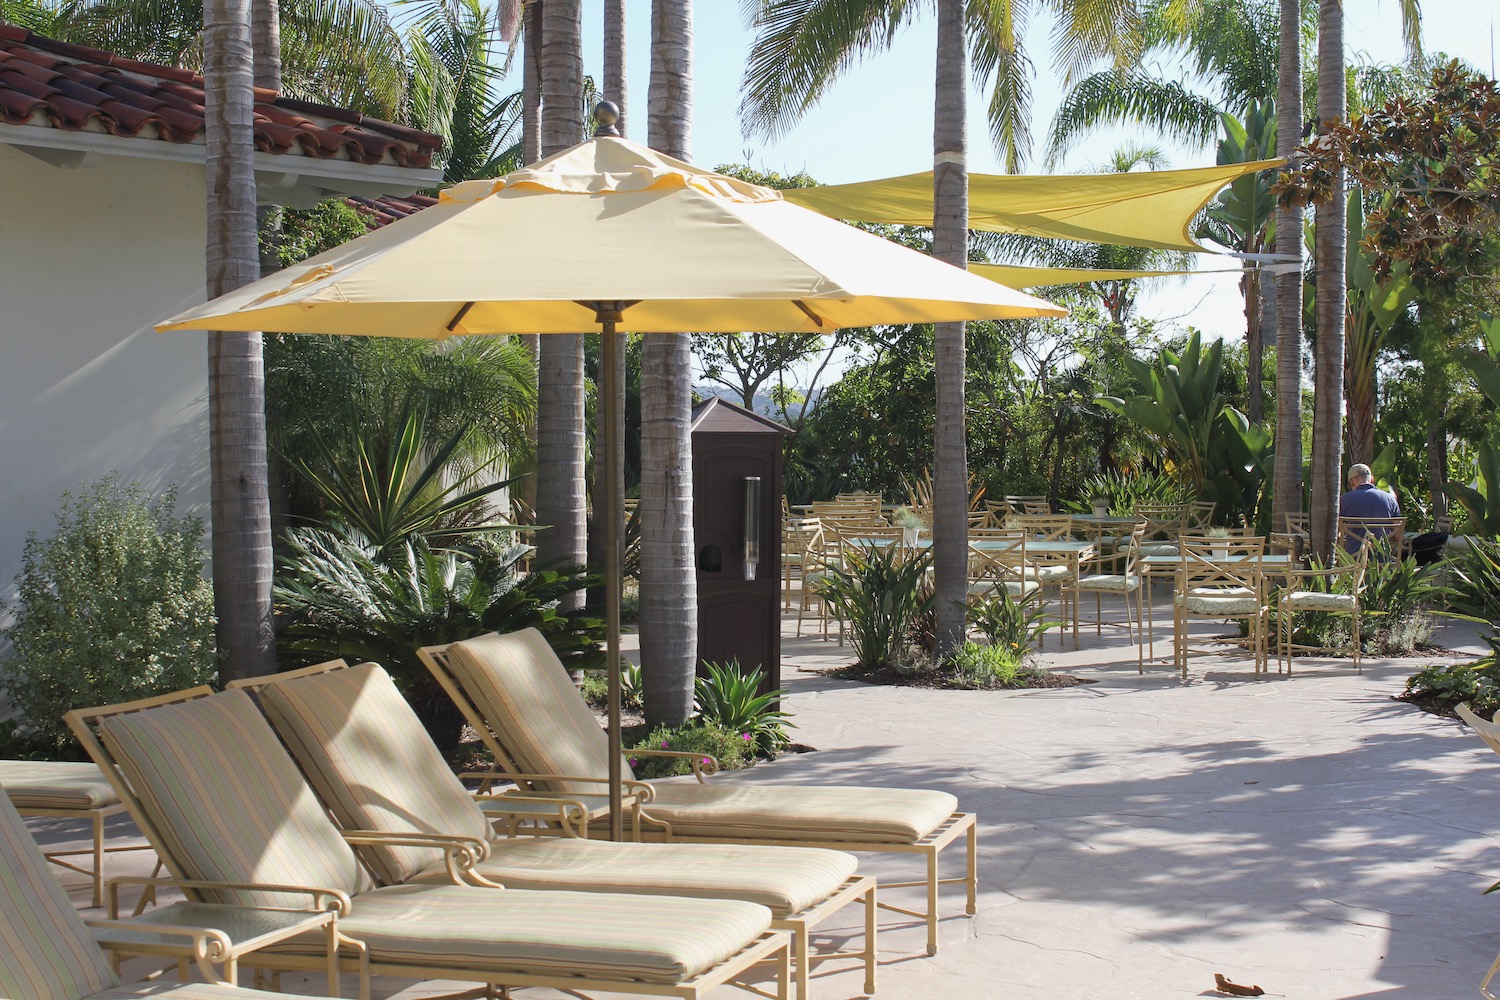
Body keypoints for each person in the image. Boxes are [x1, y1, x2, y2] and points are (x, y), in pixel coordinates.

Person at [1338, 463, 1401, 553]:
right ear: (1371, 479)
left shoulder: (1343, 500)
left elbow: (1336, 531)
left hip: (1354, 561)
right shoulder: (1390, 499)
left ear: (1352, 482)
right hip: (1383, 560)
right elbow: (1398, 535)